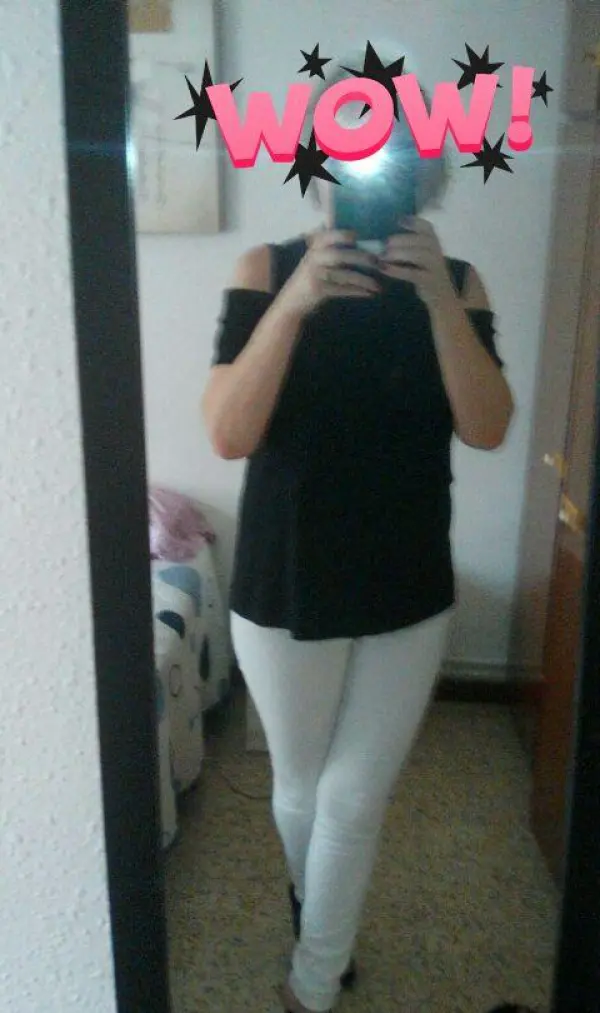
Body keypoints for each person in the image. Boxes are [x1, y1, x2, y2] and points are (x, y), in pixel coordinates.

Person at [202, 66, 514, 1013]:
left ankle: (313, 978)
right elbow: (229, 433)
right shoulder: (265, 269)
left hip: (406, 574)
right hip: (284, 572)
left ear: (424, 174)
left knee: (350, 797)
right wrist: (297, 301)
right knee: (300, 785)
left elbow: (488, 426)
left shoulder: (457, 283)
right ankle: (318, 914)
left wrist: (441, 309)